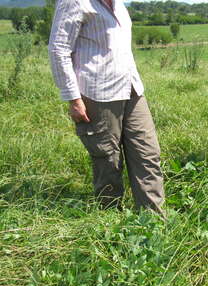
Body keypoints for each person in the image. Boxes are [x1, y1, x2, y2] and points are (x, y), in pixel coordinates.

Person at [48, 0, 165, 213]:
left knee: (148, 154)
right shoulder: (74, 2)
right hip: (97, 92)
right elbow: (58, 49)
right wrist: (73, 98)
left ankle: (153, 221)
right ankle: (110, 221)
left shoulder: (119, 5)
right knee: (108, 160)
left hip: (132, 89)